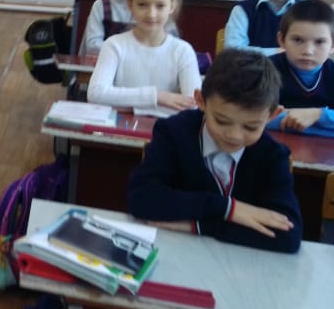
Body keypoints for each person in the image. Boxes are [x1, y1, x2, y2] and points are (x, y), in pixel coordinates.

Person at [127, 48, 302, 253]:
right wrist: (229, 209)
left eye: (250, 127)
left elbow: (288, 236)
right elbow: (141, 198)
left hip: (241, 265)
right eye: (221, 121)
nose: (234, 135)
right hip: (176, 252)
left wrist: (199, 226)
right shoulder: (173, 132)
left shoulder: (273, 155)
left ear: (272, 116)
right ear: (201, 100)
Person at [87, 0, 200, 115]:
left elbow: (193, 104)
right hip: (119, 127)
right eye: (142, 5)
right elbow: (96, 94)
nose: (151, 14)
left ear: (172, 6)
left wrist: (129, 104)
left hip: (164, 129)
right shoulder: (114, 45)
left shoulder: (183, 51)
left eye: (160, 6)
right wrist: (158, 97)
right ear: (130, 5)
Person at [269, 0, 334, 133]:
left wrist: (318, 115)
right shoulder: (264, 70)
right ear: (282, 40)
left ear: (332, 45)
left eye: (319, 42)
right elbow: (250, 117)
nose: (308, 51)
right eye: (298, 40)